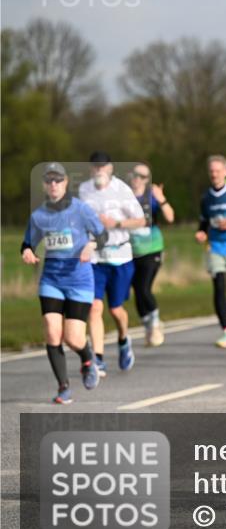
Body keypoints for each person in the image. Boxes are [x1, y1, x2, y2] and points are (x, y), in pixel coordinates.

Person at [22, 163, 106, 403]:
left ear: (66, 182)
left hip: (79, 280)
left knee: (73, 338)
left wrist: (91, 245)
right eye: (49, 181)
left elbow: (102, 235)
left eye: (58, 180)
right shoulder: (39, 215)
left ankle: (87, 356)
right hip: (51, 279)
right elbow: (27, 242)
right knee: (51, 331)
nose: (53, 185)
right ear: (44, 185)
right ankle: (63, 387)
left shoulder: (81, 210)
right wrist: (27, 251)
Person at [79, 152, 145, 375]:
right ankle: (97, 358)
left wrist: (115, 222)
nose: (99, 170)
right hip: (95, 258)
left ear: (110, 168)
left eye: (103, 166)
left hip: (120, 256)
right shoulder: (84, 190)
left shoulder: (122, 190)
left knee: (116, 310)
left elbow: (140, 220)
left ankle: (124, 339)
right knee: (95, 307)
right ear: (91, 169)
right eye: (95, 167)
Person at [196, 155, 226, 348]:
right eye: (212, 171)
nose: (214, 174)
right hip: (215, 246)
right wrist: (201, 232)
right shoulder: (206, 198)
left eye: (218, 171)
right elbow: (204, 221)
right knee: (218, 285)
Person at [128, 162, 175, 347]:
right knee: (137, 291)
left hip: (152, 248)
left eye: (143, 176)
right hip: (130, 251)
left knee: (145, 287)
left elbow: (170, 217)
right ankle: (148, 325)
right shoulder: (122, 197)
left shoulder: (152, 197)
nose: (139, 179)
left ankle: (155, 323)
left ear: (148, 180)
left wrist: (161, 198)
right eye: (136, 175)